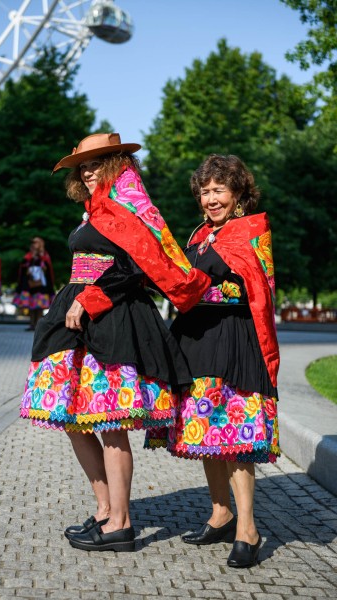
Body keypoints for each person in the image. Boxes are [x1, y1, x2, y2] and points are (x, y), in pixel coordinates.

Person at [20, 133, 211, 552]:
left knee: (110, 425)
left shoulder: (130, 206)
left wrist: (91, 298)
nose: (86, 171)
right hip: (76, 316)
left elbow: (137, 267)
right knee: (74, 422)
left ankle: (121, 525)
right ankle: (105, 510)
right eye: (81, 166)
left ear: (116, 163)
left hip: (112, 316)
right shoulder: (94, 209)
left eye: (96, 163)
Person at [145, 154, 280, 568]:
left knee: (235, 435)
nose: (210, 198)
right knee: (206, 430)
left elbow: (250, 289)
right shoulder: (198, 236)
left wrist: (192, 289)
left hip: (233, 338)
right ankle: (221, 512)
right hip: (196, 339)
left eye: (218, 189)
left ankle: (248, 529)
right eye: (204, 191)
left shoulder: (251, 231)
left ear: (238, 193)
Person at [13, 236, 55, 331]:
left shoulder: (45, 256)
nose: (33, 244)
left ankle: (38, 326)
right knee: (31, 306)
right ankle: (32, 324)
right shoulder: (28, 256)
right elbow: (23, 268)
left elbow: (48, 271)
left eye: (36, 242)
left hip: (42, 286)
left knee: (39, 307)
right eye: (33, 243)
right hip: (30, 285)